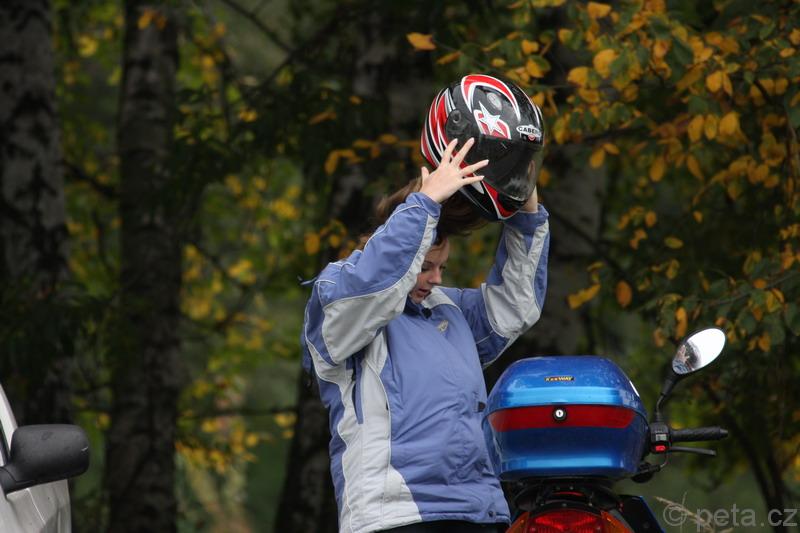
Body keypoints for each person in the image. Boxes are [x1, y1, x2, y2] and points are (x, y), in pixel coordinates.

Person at [302, 74, 550, 533]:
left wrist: (525, 208)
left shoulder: (447, 310)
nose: (435, 279)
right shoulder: (339, 299)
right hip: (393, 515)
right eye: (426, 267)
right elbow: (377, 284)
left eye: (442, 267)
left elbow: (516, 306)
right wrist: (427, 200)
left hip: (478, 509)